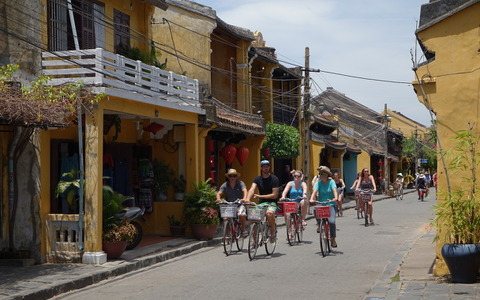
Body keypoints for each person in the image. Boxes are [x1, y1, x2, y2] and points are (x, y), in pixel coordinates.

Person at [247, 160, 280, 242]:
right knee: (252, 217)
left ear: (269, 167)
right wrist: (247, 199)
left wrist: (260, 196)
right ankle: (254, 241)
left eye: (267, 166)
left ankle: (272, 232)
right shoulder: (257, 179)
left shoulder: (274, 179)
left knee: (269, 214)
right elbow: (252, 189)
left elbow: (274, 195)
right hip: (261, 203)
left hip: (272, 203)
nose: (266, 168)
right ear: (261, 168)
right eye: (264, 166)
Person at [309, 166, 339, 248]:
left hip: (330, 204)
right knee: (315, 209)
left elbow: (334, 190)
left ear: (327, 175)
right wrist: (311, 199)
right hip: (321, 203)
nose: (321, 175)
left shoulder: (331, 182)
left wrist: (335, 198)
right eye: (320, 174)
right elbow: (314, 192)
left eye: (323, 173)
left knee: (332, 222)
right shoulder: (318, 183)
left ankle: (333, 239)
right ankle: (319, 224)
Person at [216, 169, 249, 237]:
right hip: (229, 204)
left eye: (234, 176)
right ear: (228, 177)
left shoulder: (240, 183)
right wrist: (218, 199)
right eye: (230, 176)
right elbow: (219, 193)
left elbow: (245, 190)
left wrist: (244, 198)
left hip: (239, 203)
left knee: (242, 215)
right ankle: (227, 235)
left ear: (236, 177)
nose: (232, 177)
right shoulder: (225, 185)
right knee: (225, 218)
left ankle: (243, 229)